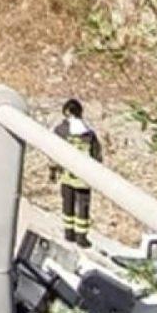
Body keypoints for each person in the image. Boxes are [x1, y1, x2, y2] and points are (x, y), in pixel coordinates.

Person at [56, 98, 102, 247]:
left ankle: (68, 233)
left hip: (67, 174)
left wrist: (53, 170)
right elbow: (97, 155)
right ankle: (81, 237)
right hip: (84, 177)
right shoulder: (89, 133)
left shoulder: (61, 130)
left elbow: (53, 151)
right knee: (83, 207)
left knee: (67, 204)